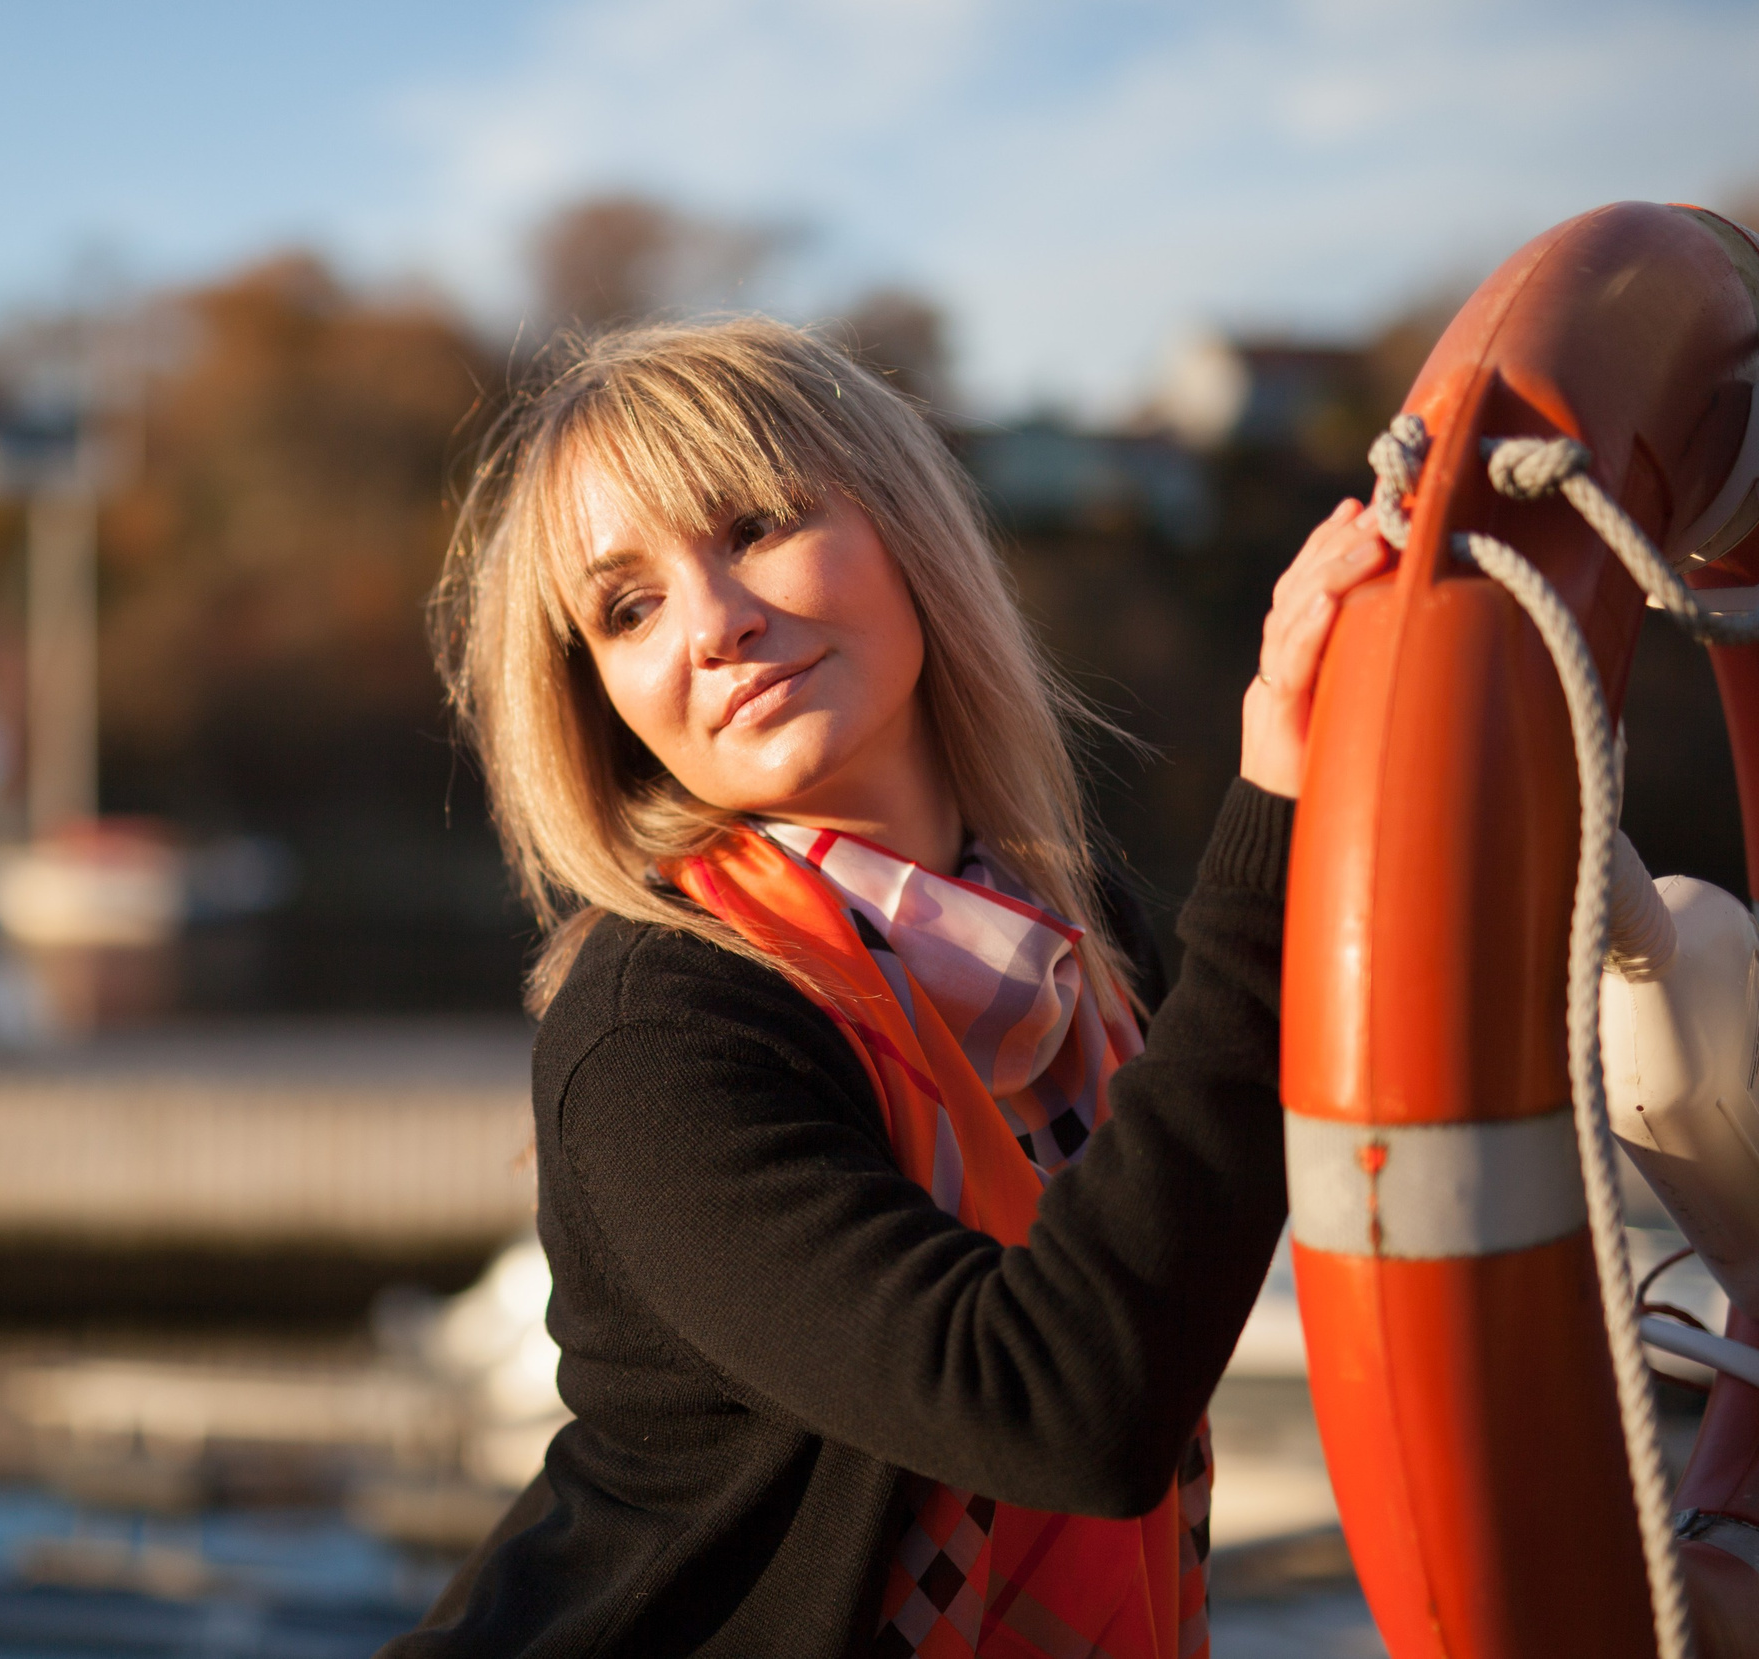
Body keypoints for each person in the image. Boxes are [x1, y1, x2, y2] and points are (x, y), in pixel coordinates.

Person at [390, 318, 1389, 1659]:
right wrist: (1279, 816)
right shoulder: (661, 1029)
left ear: (906, 527)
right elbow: (1060, 1406)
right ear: (599, 701)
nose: (718, 624)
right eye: (629, 608)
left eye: (753, 526)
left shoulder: (1082, 947)